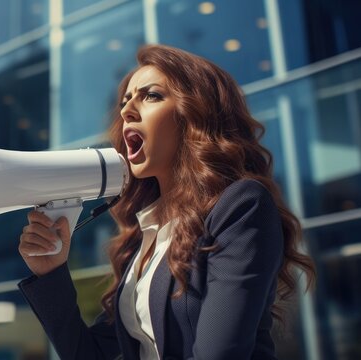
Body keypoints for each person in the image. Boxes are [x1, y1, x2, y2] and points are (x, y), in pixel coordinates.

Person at [16, 44, 316, 360]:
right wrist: (51, 273)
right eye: (125, 101)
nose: (126, 110)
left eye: (152, 96)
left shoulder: (241, 206)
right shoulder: (145, 236)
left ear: (196, 114)